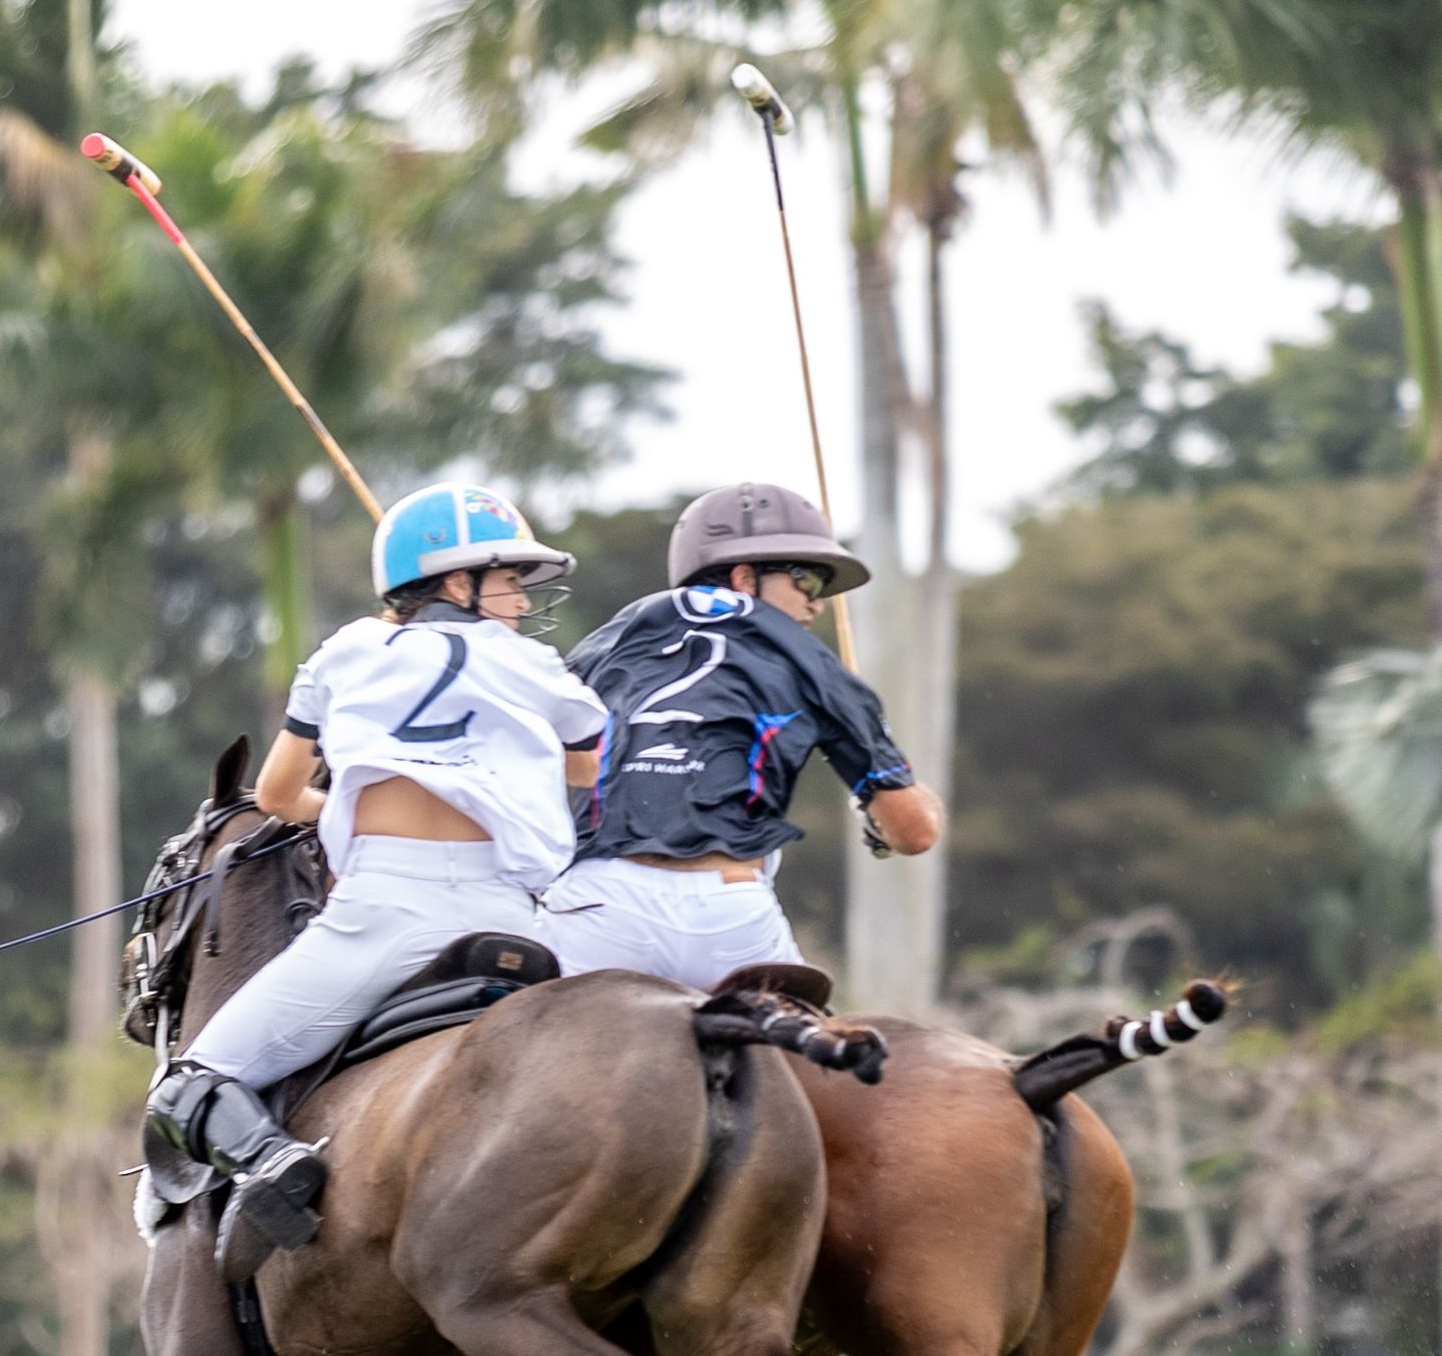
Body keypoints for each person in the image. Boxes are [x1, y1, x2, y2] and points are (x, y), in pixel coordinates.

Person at [144, 482, 606, 1285]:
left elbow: (281, 795)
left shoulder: (345, 653)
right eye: (508, 580)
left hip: (386, 911)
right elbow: (587, 765)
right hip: (521, 921)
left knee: (189, 1087)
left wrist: (350, 803)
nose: (522, 602)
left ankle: (274, 1164)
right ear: (456, 583)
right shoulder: (535, 666)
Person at [538, 481, 941, 988]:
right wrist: (884, 814)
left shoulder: (607, 639)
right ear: (744, 576)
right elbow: (916, 833)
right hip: (727, 918)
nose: (816, 604)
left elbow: (555, 760)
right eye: (807, 582)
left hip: (596, 911)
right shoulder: (813, 662)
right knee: (824, 1063)